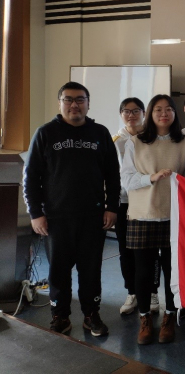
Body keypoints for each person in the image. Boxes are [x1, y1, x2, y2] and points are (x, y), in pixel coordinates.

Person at [23, 81, 119, 336]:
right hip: (56, 217)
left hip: (93, 217)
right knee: (58, 271)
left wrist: (112, 207)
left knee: (91, 270)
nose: (74, 104)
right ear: (60, 103)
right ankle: (60, 316)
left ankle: (91, 314)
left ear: (88, 103)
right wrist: (35, 213)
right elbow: (31, 177)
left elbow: (113, 174)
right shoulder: (45, 133)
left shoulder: (100, 133)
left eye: (80, 99)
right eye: (68, 99)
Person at [121, 94, 185, 345]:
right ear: (150, 113)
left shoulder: (183, 142)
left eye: (169, 109)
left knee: (173, 270)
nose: (164, 113)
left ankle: (169, 315)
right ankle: (145, 318)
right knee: (143, 270)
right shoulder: (135, 142)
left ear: (175, 114)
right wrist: (151, 177)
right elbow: (126, 180)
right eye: (158, 109)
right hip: (143, 214)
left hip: (174, 215)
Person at [112, 98, 160, 315]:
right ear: (121, 114)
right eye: (126, 111)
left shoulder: (152, 138)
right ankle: (132, 292)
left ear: (143, 113)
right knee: (126, 251)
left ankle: (152, 292)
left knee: (151, 251)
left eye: (135, 111)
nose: (131, 115)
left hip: (149, 201)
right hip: (125, 203)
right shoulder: (115, 141)